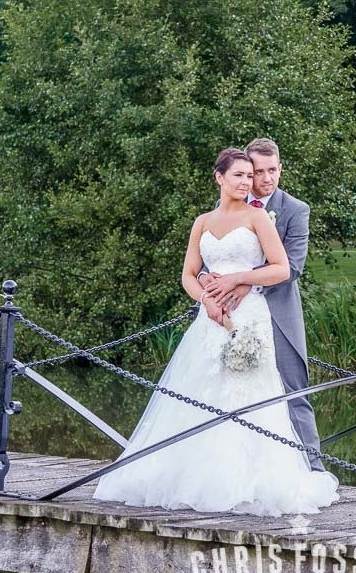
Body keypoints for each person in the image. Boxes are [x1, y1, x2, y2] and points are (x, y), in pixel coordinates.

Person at [93, 148, 338, 516]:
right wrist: (206, 298)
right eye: (243, 174)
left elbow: (286, 268)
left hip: (258, 314)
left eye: (255, 173)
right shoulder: (203, 221)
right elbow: (190, 273)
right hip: (212, 318)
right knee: (201, 392)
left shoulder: (268, 215)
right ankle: (194, 477)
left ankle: (296, 472)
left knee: (274, 393)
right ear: (220, 177)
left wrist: (241, 281)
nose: (252, 179)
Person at [200, 138, 325, 472]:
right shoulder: (225, 205)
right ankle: (237, 470)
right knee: (231, 389)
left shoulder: (295, 210)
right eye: (258, 171)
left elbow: (293, 267)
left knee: (292, 390)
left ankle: (313, 467)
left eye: (273, 170)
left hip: (277, 314)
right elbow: (207, 261)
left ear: (281, 168)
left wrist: (242, 279)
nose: (266, 178)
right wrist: (207, 288)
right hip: (230, 316)